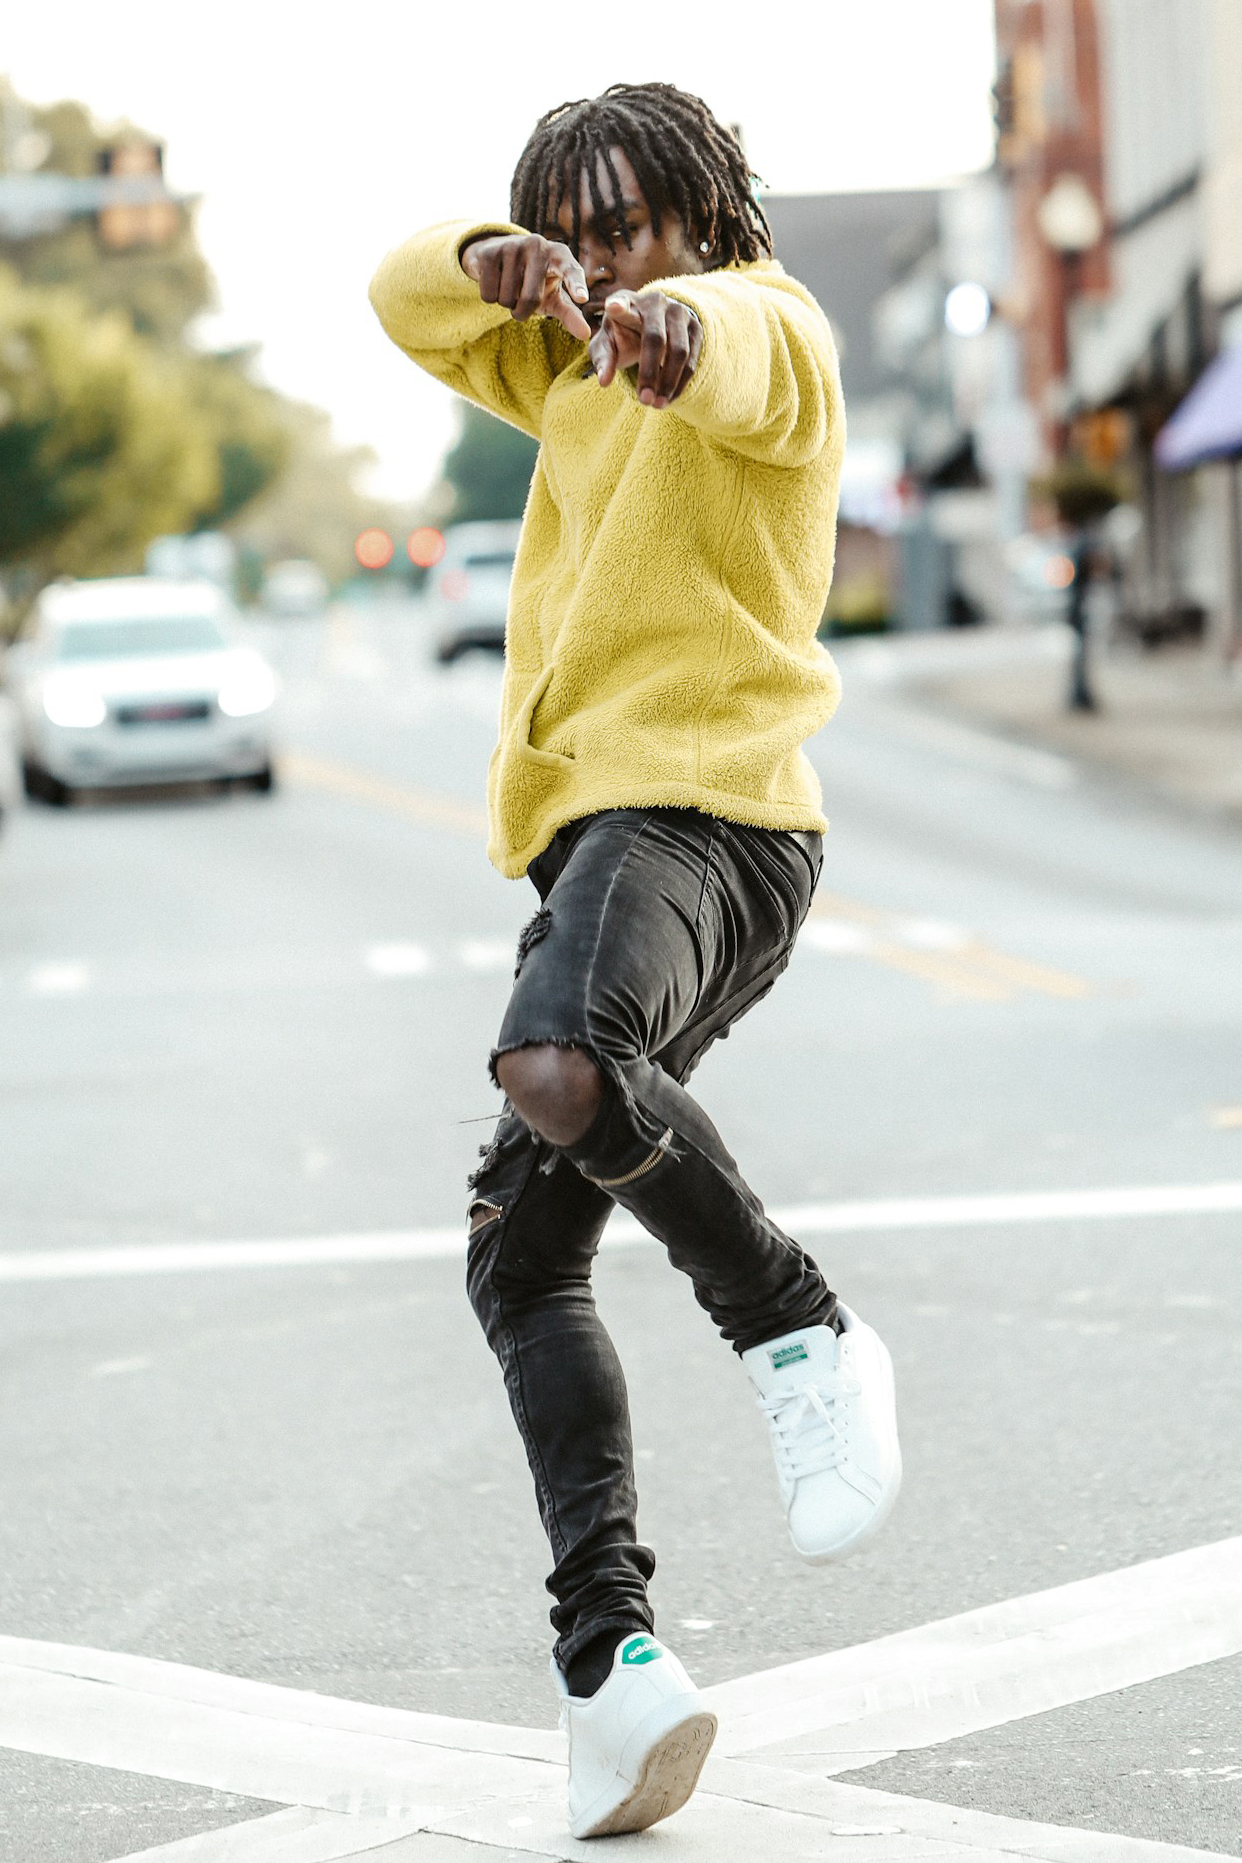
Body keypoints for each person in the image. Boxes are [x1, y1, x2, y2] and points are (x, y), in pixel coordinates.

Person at [369, 81, 901, 1841]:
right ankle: (613, 1675)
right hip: (603, 837)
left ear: (701, 219)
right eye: (579, 236)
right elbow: (396, 292)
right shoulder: (558, 370)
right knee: (517, 1256)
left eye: (635, 231)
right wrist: (494, 264)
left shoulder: (768, 329)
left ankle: (797, 1331)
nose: (611, 269)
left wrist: (679, 321)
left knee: (563, 1065)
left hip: (712, 816)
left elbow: (741, 345)